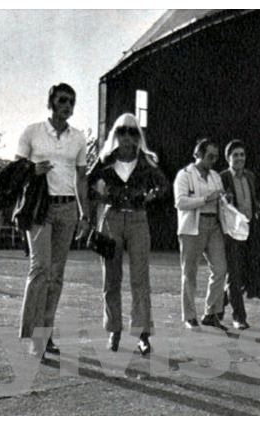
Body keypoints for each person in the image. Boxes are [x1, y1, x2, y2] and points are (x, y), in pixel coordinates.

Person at [17, 83, 90, 356]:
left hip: (67, 208)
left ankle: (44, 336)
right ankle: (31, 334)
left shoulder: (78, 138)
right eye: (62, 100)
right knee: (40, 269)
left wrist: (84, 214)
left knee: (56, 275)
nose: (67, 106)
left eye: (72, 102)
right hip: (40, 208)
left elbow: (81, 178)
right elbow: (16, 171)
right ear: (50, 103)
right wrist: (33, 169)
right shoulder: (32, 132)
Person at [87, 113, 168, 355]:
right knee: (111, 279)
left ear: (138, 136)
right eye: (122, 131)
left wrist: (150, 195)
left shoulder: (147, 162)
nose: (127, 137)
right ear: (115, 134)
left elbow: (164, 185)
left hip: (137, 219)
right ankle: (114, 329)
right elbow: (88, 183)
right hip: (111, 219)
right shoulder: (105, 160)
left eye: (133, 132)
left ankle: (143, 334)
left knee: (140, 279)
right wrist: (103, 196)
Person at [173, 138, 228, 331]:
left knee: (221, 269)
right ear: (199, 154)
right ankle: (189, 316)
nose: (213, 161)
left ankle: (211, 313)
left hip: (213, 225)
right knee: (190, 272)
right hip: (192, 227)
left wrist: (223, 201)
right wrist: (206, 199)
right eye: (210, 156)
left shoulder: (215, 176)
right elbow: (180, 202)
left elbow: (219, 199)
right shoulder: (184, 175)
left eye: (216, 157)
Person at [220, 140, 260, 330]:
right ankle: (239, 317)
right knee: (234, 273)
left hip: (250, 231)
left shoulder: (250, 177)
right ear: (228, 158)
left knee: (243, 275)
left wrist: (259, 208)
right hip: (232, 232)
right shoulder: (223, 178)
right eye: (235, 155)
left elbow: (252, 199)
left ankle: (218, 306)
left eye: (242, 154)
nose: (240, 158)